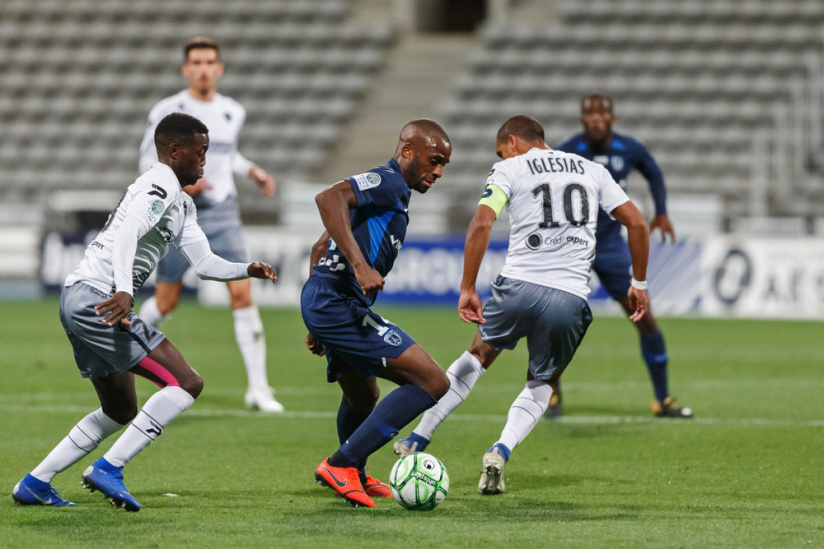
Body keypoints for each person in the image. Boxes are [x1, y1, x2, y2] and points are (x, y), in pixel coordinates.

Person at [12, 113, 278, 511]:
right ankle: (110, 468)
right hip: (100, 298)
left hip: (79, 297)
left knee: (119, 409)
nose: (205, 162)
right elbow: (127, 234)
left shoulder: (182, 202)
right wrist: (123, 290)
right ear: (174, 151)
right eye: (199, 153)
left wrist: (246, 270)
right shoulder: (159, 183)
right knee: (186, 382)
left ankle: (35, 482)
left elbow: (204, 264)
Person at [393, 115, 650, 495]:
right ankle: (501, 449)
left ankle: (420, 435)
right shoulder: (592, 170)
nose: (501, 154)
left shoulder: (509, 167)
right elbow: (638, 223)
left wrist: (467, 287)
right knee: (542, 381)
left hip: (519, 286)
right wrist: (638, 284)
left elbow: (481, 223)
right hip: (570, 296)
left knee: (479, 354)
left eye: (501, 149)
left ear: (511, 142)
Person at [301, 120, 452, 508]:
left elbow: (321, 246)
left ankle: (356, 473)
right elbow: (327, 198)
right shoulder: (388, 182)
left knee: (362, 393)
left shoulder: (395, 194)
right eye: (434, 161)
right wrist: (358, 265)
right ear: (407, 152)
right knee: (432, 381)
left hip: (328, 300)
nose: (438, 172)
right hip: (337, 302)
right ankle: (342, 463)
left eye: (444, 165)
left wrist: (315, 318)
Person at [137, 37, 283, 413]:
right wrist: (182, 178)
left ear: (219, 68)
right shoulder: (169, 110)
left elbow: (225, 153)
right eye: (196, 62)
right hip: (177, 211)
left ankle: (259, 389)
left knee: (242, 293)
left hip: (221, 211)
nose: (203, 68)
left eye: (209, 62)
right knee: (167, 302)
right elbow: (145, 159)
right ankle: (123, 345)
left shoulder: (233, 111)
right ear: (186, 69)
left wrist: (252, 170)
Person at [552, 94, 691, 418]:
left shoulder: (630, 149)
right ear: (582, 118)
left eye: (602, 113)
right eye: (590, 114)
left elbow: (654, 173)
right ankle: (550, 392)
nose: (596, 119)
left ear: (612, 117)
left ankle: (662, 399)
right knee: (553, 319)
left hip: (612, 246)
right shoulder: (566, 150)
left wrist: (662, 212)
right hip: (573, 244)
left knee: (644, 317)